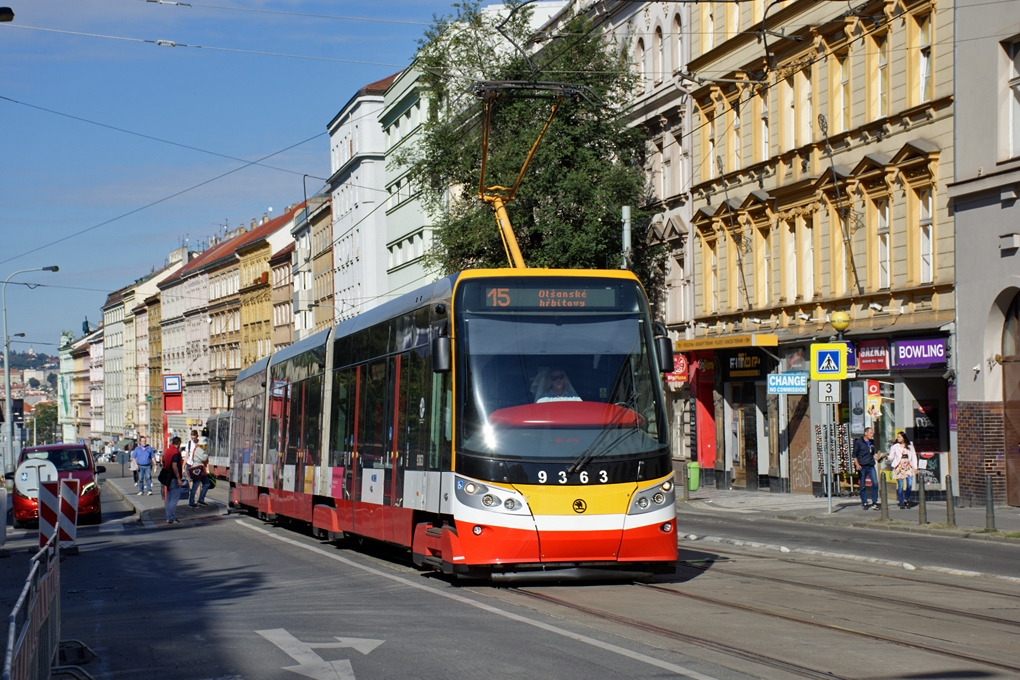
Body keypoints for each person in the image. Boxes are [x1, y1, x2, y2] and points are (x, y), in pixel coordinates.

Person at [888, 431, 918, 509]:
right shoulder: (895, 446)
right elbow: (891, 457)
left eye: (899, 437)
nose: (898, 438)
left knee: (909, 484)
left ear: (903, 437)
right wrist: (886, 457)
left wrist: (915, 467)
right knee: (900, 485)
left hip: (908, 466)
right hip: (899, 467)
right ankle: (901, 502)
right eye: (897, 437)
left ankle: (906, 499)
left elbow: (914, 456)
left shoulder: (910, 445)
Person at [853, 427, 881, 510]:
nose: (872, 435)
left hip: (871, 465)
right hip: (862, 466)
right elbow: (854, 454)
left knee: (875, 483)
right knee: (862, 485)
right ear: (866, 433)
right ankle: (864, 502)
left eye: (872, 433)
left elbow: (872, 453)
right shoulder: (859, 442)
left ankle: (874, 501)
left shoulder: (872, 442)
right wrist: (857, 464)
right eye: (870, 433)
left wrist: (877, 458)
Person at [163, 436, 184, 525]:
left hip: (167, 477)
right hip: (173, 478)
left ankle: (169, 517)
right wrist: (178, 478)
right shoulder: (175, 452)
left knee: (168, 498)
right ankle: (171, 517)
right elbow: (174, 465)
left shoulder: (168, 450)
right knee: (174, 499)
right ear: (178, 443)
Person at [188, 436, 212, 507]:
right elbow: (204, 458)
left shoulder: (198, 449)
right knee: (196, 485)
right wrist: (207, 455)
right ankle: (192, 502)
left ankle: (200, 500)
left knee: (206, 484)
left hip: (200, 469)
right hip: (198, 469)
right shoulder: (199, 449)